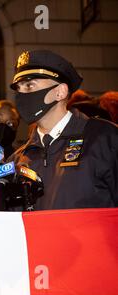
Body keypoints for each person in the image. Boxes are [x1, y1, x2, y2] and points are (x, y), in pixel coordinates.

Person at [8, 50, 117, 210]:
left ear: (60, 91)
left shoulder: (105, 139)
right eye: (19, 88)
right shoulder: (18, 160)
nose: (21, 95)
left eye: (30, 85)